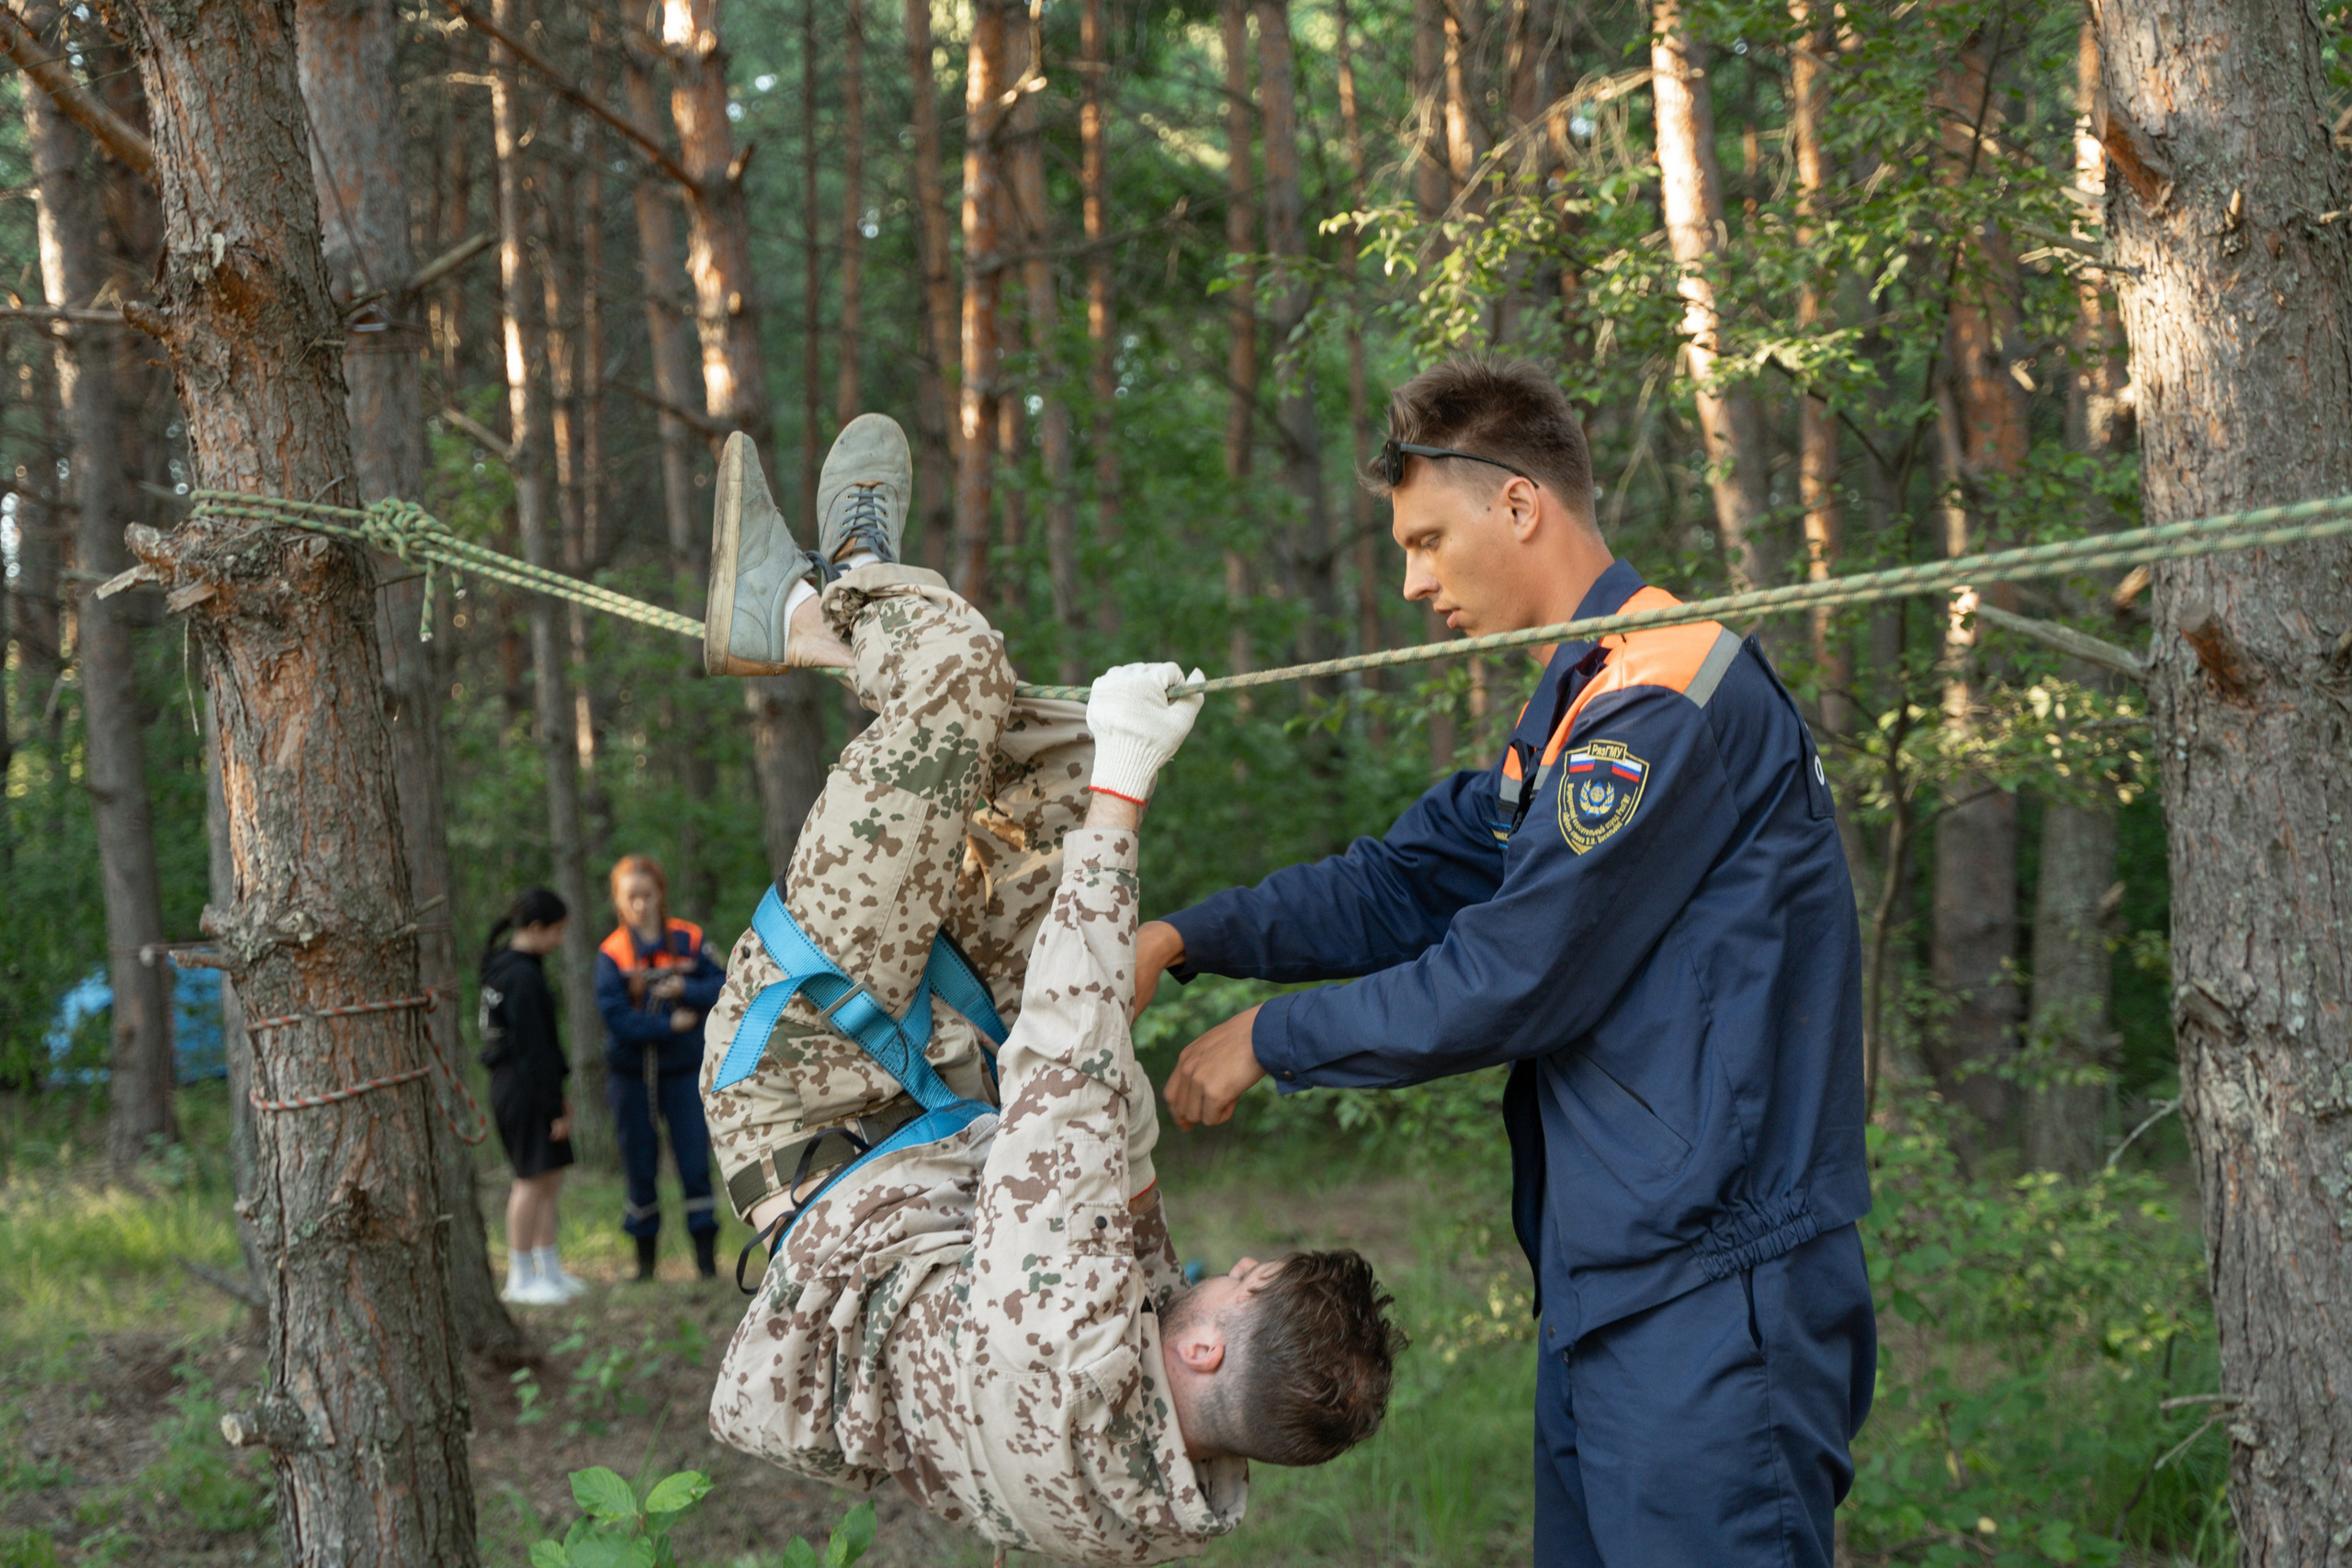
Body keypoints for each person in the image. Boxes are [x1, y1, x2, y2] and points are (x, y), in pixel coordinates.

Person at [1148, 355, 1875, 1567]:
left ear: (1521, 506)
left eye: (1429, 539)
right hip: (1614, 1279)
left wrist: (1271, 1037)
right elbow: (1415, 876)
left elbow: (1513, 973)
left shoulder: (1665, 695)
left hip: (1713, 1290)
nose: (1414, 580)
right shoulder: (1580, 697)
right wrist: (1186, 937)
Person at [695, 415, 1408, 1564]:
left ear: (1210, 1352)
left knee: (959, 683)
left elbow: (1064, 1073)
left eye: (1232, 1288)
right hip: (927, 1106)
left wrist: (1129, 797)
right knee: (1060, 752)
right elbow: (1105, 1162)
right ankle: (855, 612)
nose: (1216, 1274)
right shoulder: (1150, 1482)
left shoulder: (1071, 1349)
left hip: (810, 1085)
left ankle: (817, 607)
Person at [594, 853, 726, 1280]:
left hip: (686, 1073)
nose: (640, 906)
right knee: (640, 1164)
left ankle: (706, 1263)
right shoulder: (612, 953)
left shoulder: (689, 939)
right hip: (632, 1078)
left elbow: (726, 983)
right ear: (618, 900)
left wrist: (686, 987)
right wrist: (665, 1024)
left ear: (660, 895)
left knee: (693, 1163)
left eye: (647, 896)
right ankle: (644, 1266)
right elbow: (613, 1015)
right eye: (631, 898)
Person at [479, 886, 586, 1304]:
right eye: (557, 931)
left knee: (549, 1176)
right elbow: (533, 1049)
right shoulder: (519, 975)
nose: (560, 940)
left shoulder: (512, 967)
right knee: (529, 1179)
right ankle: (520, 1277)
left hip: (527, 1086)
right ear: (536, 928)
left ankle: (549, 1269)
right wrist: (550, 1104)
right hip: (521, 1088)